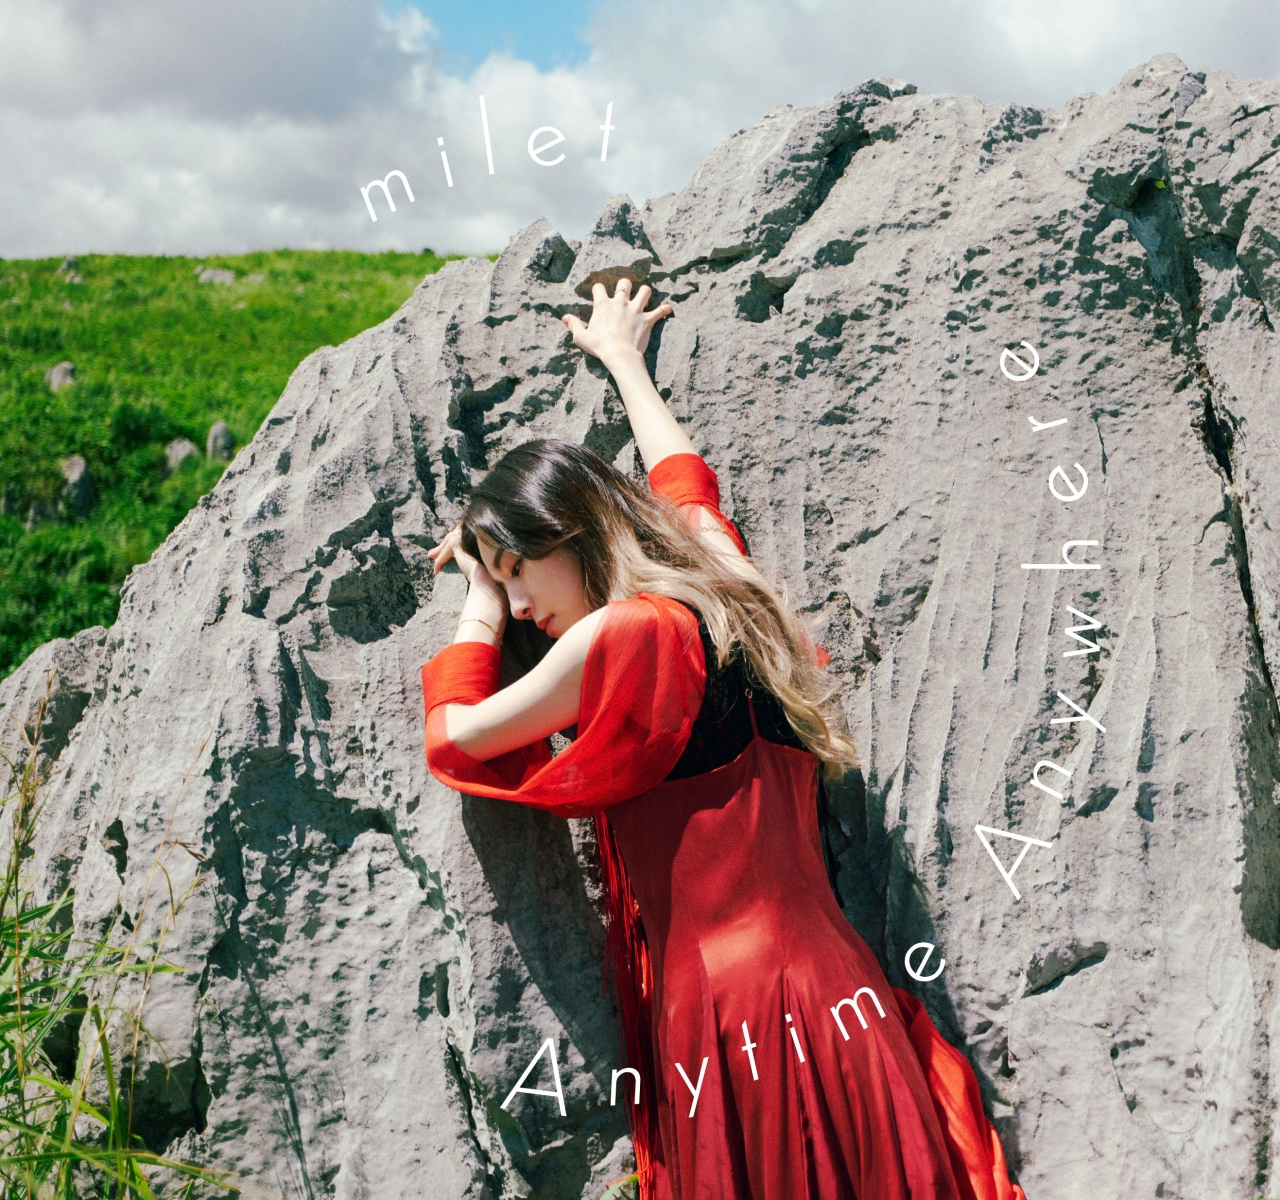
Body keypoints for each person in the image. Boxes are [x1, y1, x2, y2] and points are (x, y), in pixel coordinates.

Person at [421, 280, 1026, 1200]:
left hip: (727, 1011)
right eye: (499, 583)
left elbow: (459, 737)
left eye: (517, 570)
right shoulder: (723, 587)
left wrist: (473, 604)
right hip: (836, 988)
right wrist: (623, 361)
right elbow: (684, 487)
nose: (517, 602)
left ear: (572, 536)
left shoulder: (619, 634)